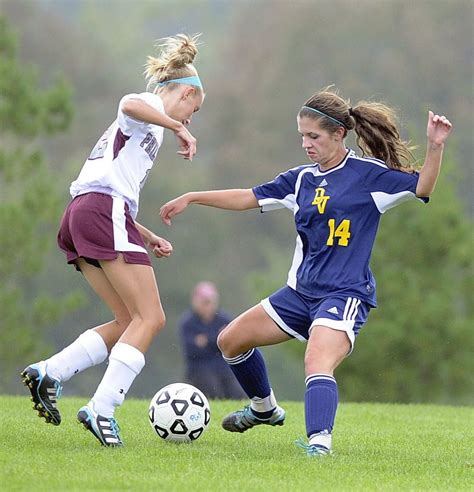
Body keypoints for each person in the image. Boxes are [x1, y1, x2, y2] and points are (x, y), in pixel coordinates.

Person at [159, 88, 452, 456]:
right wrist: (193, 196)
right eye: (302, 135)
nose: (306, 144)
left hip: (344, 294)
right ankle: (265, 409)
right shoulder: (301, 180)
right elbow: (249, 196)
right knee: (230, 340)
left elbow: (423, 186)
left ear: (338, 134)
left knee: (317, 359)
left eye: (313, 136)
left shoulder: (368, 176)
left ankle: (319, 445)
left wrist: (435, 146)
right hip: (300, 294)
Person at [20, 33, 205, 447]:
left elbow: (109, 187)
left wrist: (147, 233)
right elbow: (128, 103)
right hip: (102, 211)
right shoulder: (151, 107)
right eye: (194, 107)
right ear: (183, 92)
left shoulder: (152, 127)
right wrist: (176, 125)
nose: (192, 117)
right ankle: (102, 409)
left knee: (128, 321)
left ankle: (50, 371)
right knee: (152, 319)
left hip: (87, 213)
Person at [179, 281, 246, 399]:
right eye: (204, 302)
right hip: (199, 369)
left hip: (223, 366)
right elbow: (192, 351)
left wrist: (205, 341)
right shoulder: (187, 323)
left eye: (210, 302)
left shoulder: (224, 319)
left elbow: (231, 345)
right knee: (214, 391)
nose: (208, 306)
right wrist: (216, 339)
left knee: (238, 393)